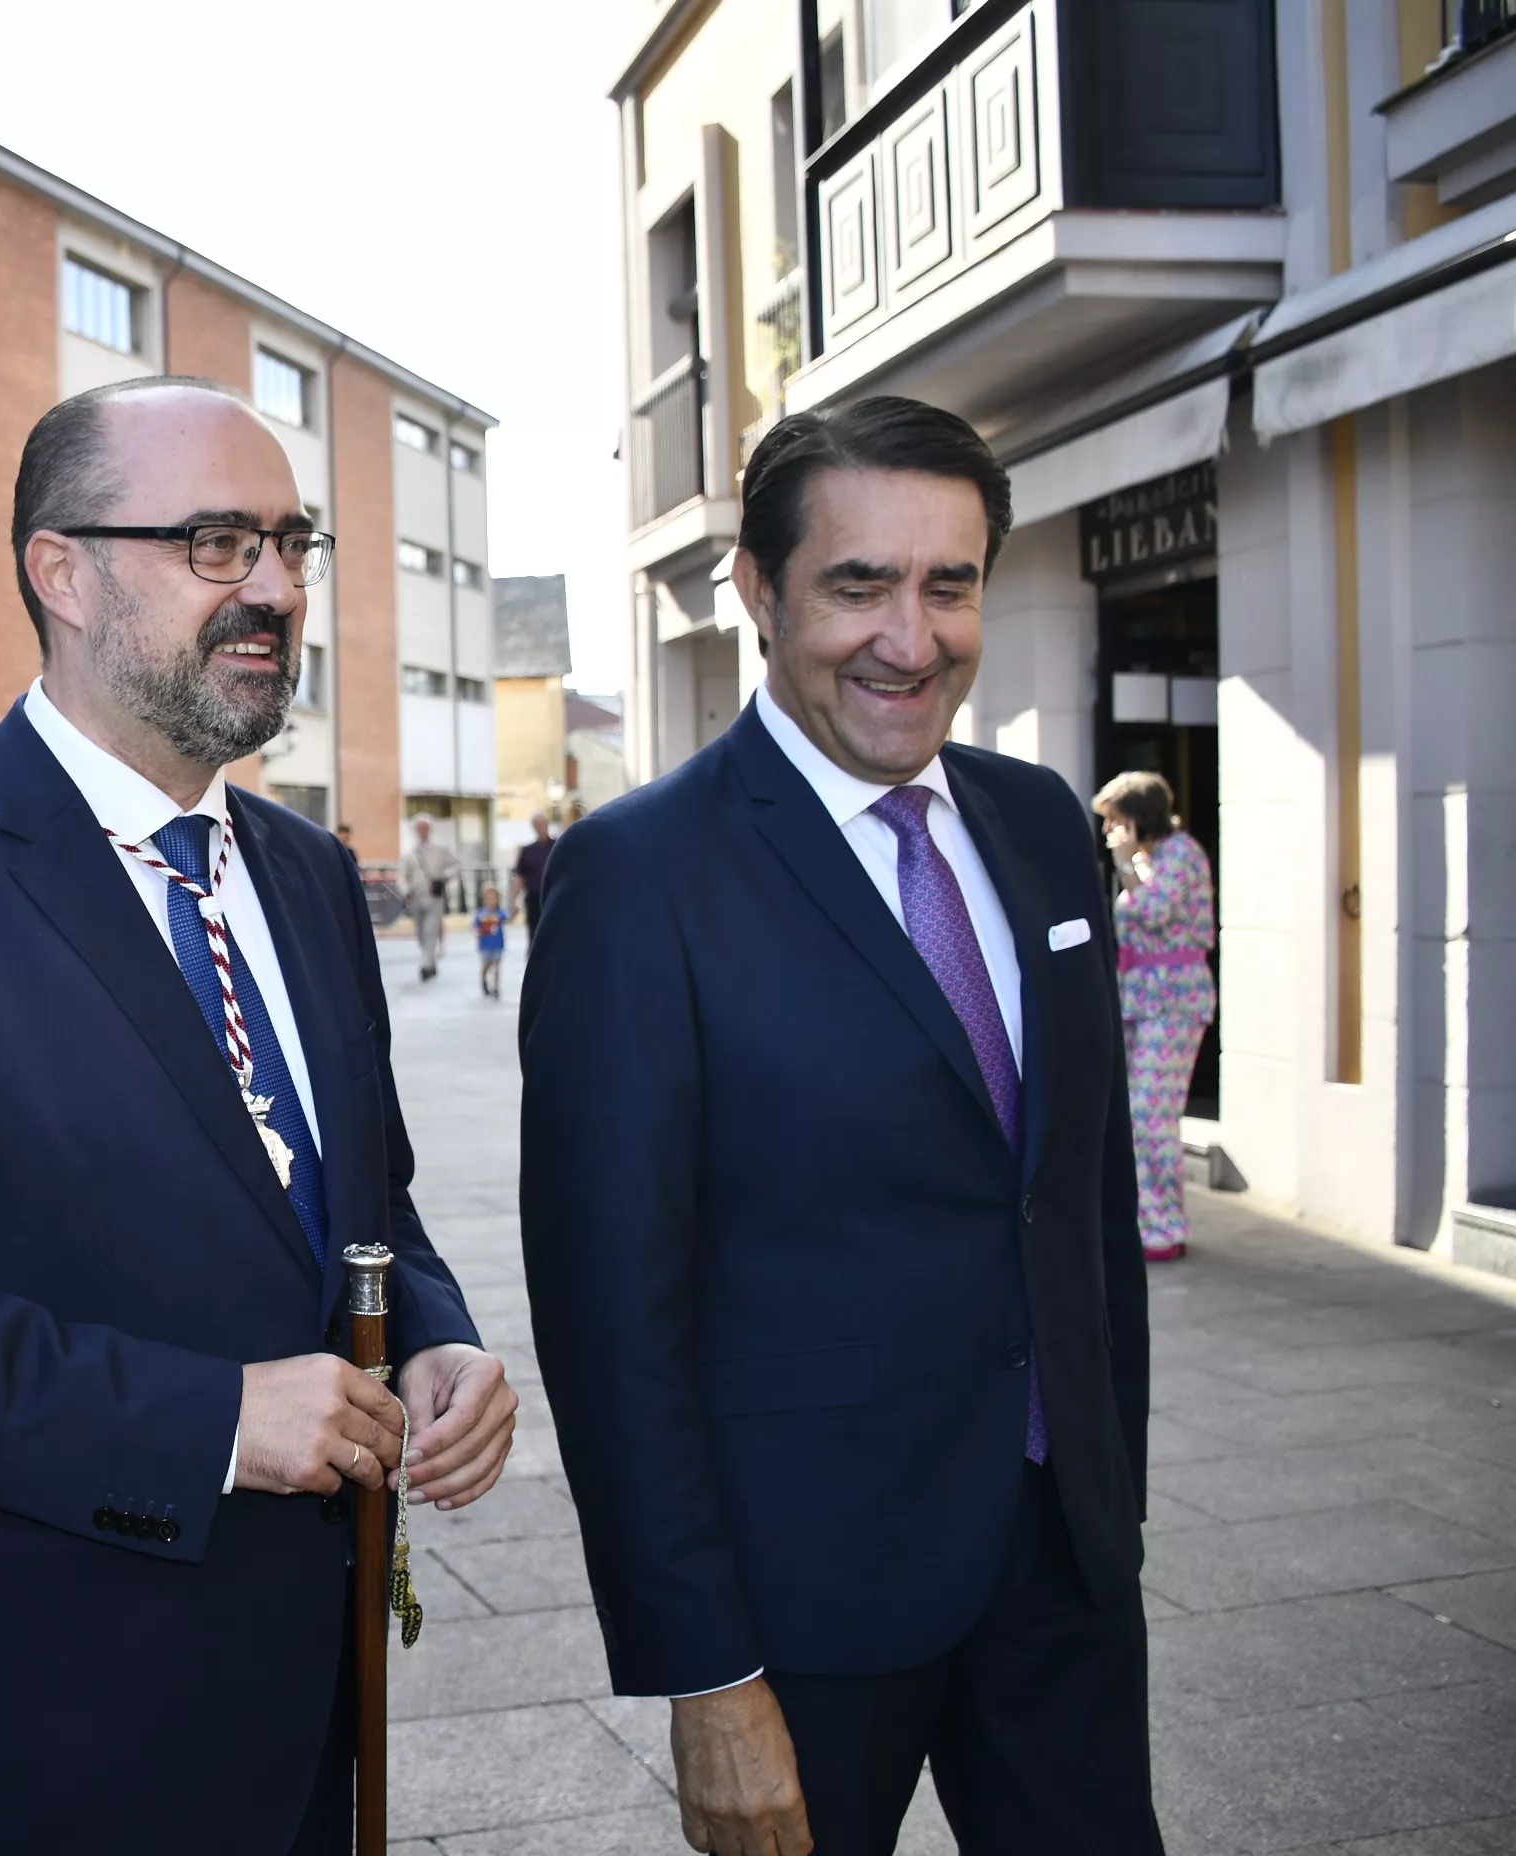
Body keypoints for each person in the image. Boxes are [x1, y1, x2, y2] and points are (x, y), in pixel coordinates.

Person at [0, 376, 519, 1854]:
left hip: (303, 1710)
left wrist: (435, 1331)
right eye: (218, 543)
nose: (276, 588)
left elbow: (359, 1200)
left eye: (292, 543)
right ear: (62, 571)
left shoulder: (308, 875)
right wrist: (208, 1422)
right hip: (33, 1727)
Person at [521, 397, 1156, 1856]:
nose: (911, 637)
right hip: (803, 1615)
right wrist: (707, 1671)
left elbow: (1080, 1199)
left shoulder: (1044, 826)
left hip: (1061, 1568)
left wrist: (1110, 1511)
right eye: (858, 584)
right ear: (756, 589)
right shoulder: (638, 877)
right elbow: (613, 1313)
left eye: (951, 583)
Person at [1095, 771, 1216, 1263]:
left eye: (1115, 822)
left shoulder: (1182, 853)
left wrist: (1125, 867)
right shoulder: (1147, 859)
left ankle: (1165, 1226)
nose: (1109, 833)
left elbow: (1155, 913)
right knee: (1131, 1116)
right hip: (1139, 998)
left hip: (1174, 1000)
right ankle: (1142, 1219)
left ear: (1136, 817)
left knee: (1151, 1115)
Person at [400, 814, 463, 981]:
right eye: (419, 828)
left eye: (425, 828)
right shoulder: (410, 854)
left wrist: (444, 876)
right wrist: (405, 890)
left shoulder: (441, 850)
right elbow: (402, 875)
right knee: (421, 932)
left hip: (434, 896)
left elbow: (456, 865)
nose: (423, 831)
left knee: (431, 930)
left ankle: (425, 966)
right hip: (416, 897)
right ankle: (430, 960)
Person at [509, 810, 556, 938]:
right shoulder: (527, 851)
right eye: (538, 825)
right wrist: (513, 901)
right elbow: (520, 876)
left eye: (543, 824)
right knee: (535, 933)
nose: (541, 828)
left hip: (554, 896)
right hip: (534, 898)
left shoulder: (558, 846)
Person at [474, 884, 510, 999]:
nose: (491, 900)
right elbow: (475, 927)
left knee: (496, 966)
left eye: (494, 898)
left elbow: (509, 918)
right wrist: (477, 932)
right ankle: (484, 980)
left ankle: (496, 987)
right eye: (489, 897)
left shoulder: (500, 913)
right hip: (485, 945)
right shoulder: (481, 914)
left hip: (497, 944)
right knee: (486, 965)